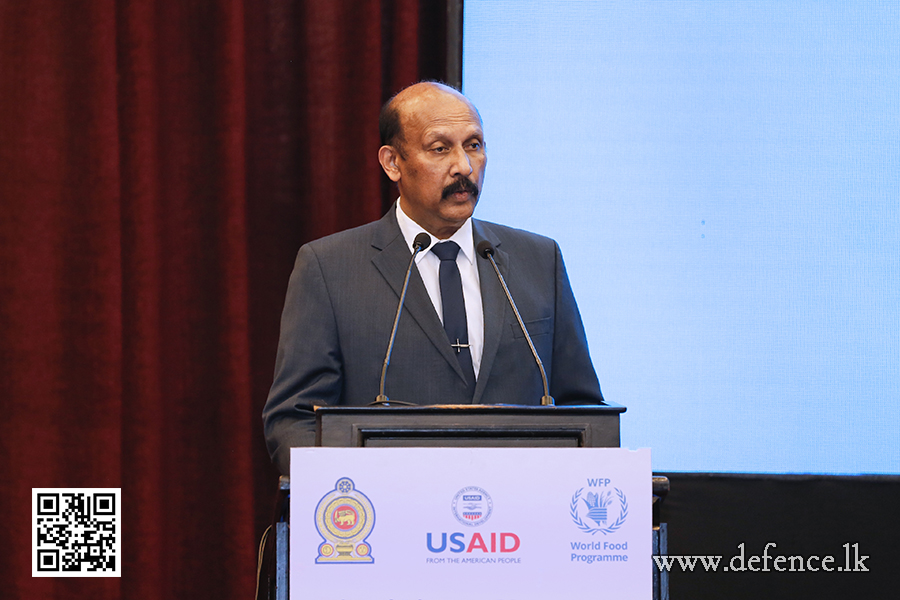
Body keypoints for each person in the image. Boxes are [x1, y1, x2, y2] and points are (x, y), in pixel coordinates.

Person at [262, 81, 603, 474]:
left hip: (517, 523)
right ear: (393, 163)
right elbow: (295, 419)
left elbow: (584, 409)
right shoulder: (330, 268)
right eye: (440, 149)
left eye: (474, 145)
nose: (464, 166)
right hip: (386, 522)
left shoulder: (538, 260)